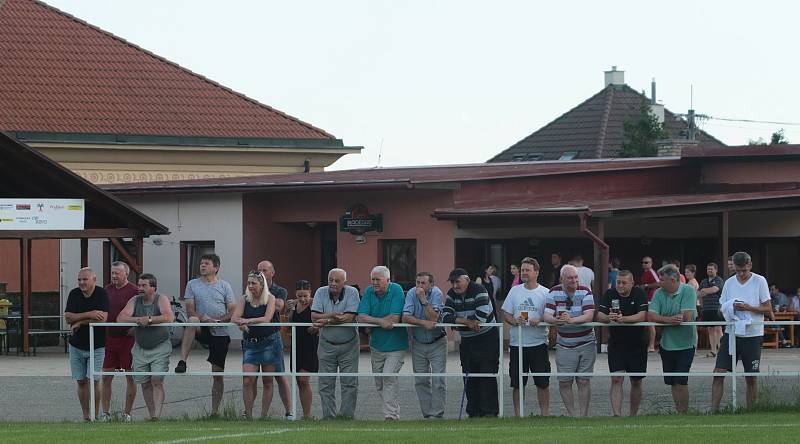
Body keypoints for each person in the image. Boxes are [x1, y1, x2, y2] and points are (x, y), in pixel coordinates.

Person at [174, 253, 236, 417]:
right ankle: (182, 361)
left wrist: (217, 320)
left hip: (220, 331)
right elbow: (190, 310)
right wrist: (204, 318)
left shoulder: (225, 286)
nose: (202, 266)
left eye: (206, 263)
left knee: (217, 375)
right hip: (201, 326)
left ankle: (215, 412)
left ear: (216, 268)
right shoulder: (192, 284)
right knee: (192, 320)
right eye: (201, 263)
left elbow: (232, 311)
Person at [711, 251, 772, 411]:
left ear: (750, 265)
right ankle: (714, 410)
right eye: (737, 271)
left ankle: (751, 410)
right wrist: (729, 308)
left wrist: (748, 307)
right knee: (718, 372)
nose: (741, 274)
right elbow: (720, 308)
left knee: (751, 376)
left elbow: (768, 309)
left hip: (752, 334)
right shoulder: (729, 283)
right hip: (732, 333)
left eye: (744, 270)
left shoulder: (760, 281)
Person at [442, 267, 499, 418]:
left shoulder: (479, 290)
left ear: (467, 280)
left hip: (487, 339)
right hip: (467, 340)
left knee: (487, 376)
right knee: (469, 376)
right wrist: (465, 321)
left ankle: (490, 412)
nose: (454, 285)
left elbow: (480, 319)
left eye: (457, 282)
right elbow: (445, 317)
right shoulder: (451, 294)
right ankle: (473, 412)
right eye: (452, 282)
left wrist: (457, 322)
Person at [116, 273, 174, 420]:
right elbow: (121, 318)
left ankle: (156, 416)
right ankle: (152, 416)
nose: (140, 288)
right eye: (139, 285)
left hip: (160, 346)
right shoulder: (135, 300)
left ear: (153, 287)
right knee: (144, 383)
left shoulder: (161, 299)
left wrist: (149, 319)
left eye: (144, 285)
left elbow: (169, 317)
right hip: (140, 348)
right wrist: (138, 320)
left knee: (156, 379)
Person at [543, 264, 595, 417]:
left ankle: (583, 415)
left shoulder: (586, 291)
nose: (574, 280)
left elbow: (589, 315)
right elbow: (546, 316)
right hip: (564, 343)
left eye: (576, 277)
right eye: (570, 277)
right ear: (561, 279)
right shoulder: (553, 292)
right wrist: (556, 320)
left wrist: (570, 320)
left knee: (584, 381)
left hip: (586, 341)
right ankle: (572, 415)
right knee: (565, 381)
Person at [501, 257, 550, 417]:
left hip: (538, 343)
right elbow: (505, 313)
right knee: (517, 383)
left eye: (527, 270)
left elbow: (551, 315)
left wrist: (541, 319)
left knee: (542, 383)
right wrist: (514, 321)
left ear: (536, 272)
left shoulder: (545, 292)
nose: (524, 273)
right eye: (522, 270)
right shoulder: (515, 290)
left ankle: (544, 415)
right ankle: (518, 415)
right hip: (517, 344)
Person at [357, 266, 407, 420]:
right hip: (376, 345)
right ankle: (391, 412)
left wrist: (372, 324)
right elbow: (361, 317)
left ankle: (390, 416)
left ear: (388, 280)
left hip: (396, 345)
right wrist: (380, 321)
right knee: (379, 382)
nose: (374, 282)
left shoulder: (396, 289)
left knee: (388, 377)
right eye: (373, 279)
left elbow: (394, 319)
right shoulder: (369, 291)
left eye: (378, 279)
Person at [596, 270, 649, 416]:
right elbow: (599, 315)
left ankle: (633, 414)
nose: (620, 285)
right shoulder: (609, 294)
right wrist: (609, 317)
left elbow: (642, 315)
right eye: (618, 282)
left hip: (637, 344)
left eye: (624, 283)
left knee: (636, 381)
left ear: (632, 283)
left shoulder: (639, 294)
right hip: (616, 344)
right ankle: (616, 415)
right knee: (616, 379)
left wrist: (623, 319)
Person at [311, 268, 360, 419]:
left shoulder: (352, 292)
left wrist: (324, 321)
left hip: (349, 345)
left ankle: (346, 416)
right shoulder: (320, 292)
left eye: (337, 281)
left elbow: (348, 318)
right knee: (325, 384)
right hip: (326, 344)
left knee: (349, 383)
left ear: (344, 282)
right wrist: (333, 315)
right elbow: (313, 316)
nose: (333, 284)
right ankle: (329, 417)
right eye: (330, 280)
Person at [232, 271, 282, 419]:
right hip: (250, 344)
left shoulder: (270, 298)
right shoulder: (244, 299)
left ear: (262, 284)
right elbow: (235, 317)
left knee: (267, 380)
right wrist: (240, 324)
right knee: (248, 380)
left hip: (269, 342)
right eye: (249, 283)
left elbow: (267, 318)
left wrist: (247, 321)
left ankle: (264, 415)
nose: (251, 286)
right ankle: (248, 414)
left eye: (254, 283)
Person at [648, 264, 697, 414]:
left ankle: (684, 412)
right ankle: (679, 411)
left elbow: (686, 317)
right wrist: (669, 320)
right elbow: (651, 316)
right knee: (672, 382)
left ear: (672, 280)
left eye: (662, 280)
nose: (659, 283)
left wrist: (662, 318)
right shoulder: (658, 293)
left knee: (681, 380)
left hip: (686, 343)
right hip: (666, 344)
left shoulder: (688, 290)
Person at [64, 267, 109, 421]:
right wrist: (89, 314)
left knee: (94, 380)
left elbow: (102, 319)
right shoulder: (74, 294)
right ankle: (86, 415)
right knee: (81, 380)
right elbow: (68, 317)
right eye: (79, 279)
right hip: (76, 345)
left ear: (94, 280)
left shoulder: (101, 293)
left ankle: (96, 415)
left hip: (97, 345)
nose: (81, 282)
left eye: (85, 279)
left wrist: (80, 321)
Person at [402, 272, 447, 419]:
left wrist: (423, 299)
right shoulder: (410, 294)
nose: (419, 286)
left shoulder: (436, 293)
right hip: (418, 343)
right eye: (417, 283)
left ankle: (437, 414)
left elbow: (433, 318)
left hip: (437, 341)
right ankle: (427, 414)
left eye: (423, 283)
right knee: (421, 380)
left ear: (431, 284)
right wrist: (422, 323)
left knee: (438, 380)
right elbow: (405, 317)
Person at [100, 261, 138, 422]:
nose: (114, 276)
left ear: (126, 274)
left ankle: (127, 414)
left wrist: (136, 328)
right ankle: (105, 413)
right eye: (113, 273)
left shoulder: (135, 291)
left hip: (128, 340)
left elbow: (142, 310)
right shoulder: (106, 290)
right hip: (109, 339)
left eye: (117, 273)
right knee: (106, 376)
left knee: (130, 376)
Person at [256, 260, 294, 420]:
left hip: (273, 337)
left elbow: (279, 306)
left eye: (265, 270)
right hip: (254, 337)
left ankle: (290, 411)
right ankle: (260, 415)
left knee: (279, 375)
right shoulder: (251, 288)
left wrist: (261, 296)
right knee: (258, 379)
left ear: (272, 273)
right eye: (259, 271)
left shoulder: (280, 290)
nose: (261, 273)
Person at [288, 280, 318, 419]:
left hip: (310, 346)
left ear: (310, 293)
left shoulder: (315, 304)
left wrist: (316, 328)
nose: (302, 299)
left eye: (305, 295)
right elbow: (289, 323)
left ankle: (308, 414)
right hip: (297, 346)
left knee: (303, 379)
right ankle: (306, 414)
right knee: (299, 382)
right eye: (299, 296)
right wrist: (291, 308)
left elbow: (318, 321)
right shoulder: (294, 305)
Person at [699, 263, 725, 358]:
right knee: (710, 329)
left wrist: (704, 291)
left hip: (716, 308)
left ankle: (721, 350)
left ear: (716, 270)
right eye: (708, 269)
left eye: (711, 269)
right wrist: (705, 292)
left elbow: (715, 289)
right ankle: (713, 350)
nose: (709, 271)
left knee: (718, 329)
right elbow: (699, 294)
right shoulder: (703, 281)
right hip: (706, 308)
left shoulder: (719, 280)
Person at [640, 256, 660, 352]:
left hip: (651, 300)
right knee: (646, 322)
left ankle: (651, 345)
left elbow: (658, 283)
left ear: (651, 263)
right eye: (643, 262)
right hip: (645, 299)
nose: (644, 264)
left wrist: (646, 286)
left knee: (651, 322)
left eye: (647, 262)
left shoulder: (652, 272)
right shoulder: (645, 273)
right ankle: (649, 344)